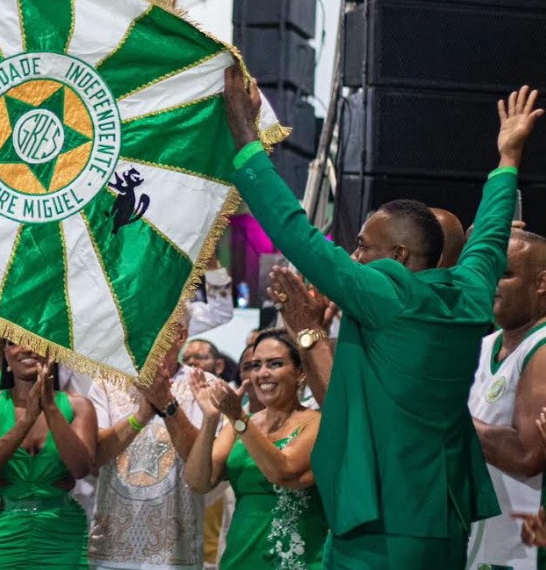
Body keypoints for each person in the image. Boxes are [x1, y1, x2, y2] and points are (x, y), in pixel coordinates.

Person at [222, 69, 541, 568]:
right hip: (441, 521)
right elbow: (490, 235)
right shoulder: (471, 294)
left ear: (397, 255)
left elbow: (297, 234)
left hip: (379, 526)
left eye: (363, 246)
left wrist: (245, 140)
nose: (352, 255)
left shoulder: (387, 295)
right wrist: (508, 158)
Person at [183, 330, 327, 569]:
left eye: (275, 364)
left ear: (300, 372)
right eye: (255, 365)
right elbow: (198, 482)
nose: (262, 373)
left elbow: (283, 471)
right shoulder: (238, 424)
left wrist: (238, 417)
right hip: (240, 558)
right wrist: (211, 418)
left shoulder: (316, 423)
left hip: (298, 560)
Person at [87, 323, 212, 570]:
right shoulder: (106, 383)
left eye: (159, 323)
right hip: (111, 551)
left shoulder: (205, 385)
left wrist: (168, 405)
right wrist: (141, 416)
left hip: (176, 554)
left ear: (181, 335)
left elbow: (202, 468)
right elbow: (93, 459)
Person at [0, 342, 96, 569]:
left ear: (53, 352)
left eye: (36, 339)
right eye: (14, 343)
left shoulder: (79, 406)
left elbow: (81, 468)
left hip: (60, 532)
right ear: (5, 356)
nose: (27, 348)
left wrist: (50, 407)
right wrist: (27, 420)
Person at [467, 230, 546, 570]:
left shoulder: (542, 348)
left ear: (541, 282)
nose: (492, 282)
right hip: (478, 537)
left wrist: (442, 412)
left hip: (521, 549)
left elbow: (527, 455)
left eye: (505, 273)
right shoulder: (486, 344)